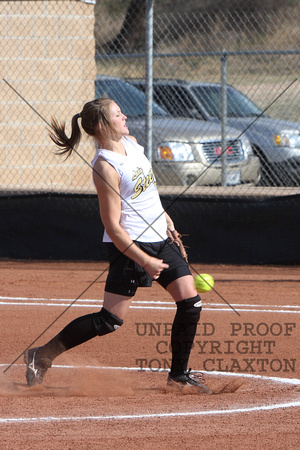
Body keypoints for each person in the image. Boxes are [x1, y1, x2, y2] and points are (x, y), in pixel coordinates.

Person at [24, 97, 210, 394]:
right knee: (110, 320)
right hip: (130, 245)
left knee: (190, 303)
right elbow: (113, 226)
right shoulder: (105, 166)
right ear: (101, 125)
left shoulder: (133, 144)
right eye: (117, 114)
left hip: (160, 238)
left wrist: (168, 222)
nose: (124, 117)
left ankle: (178, 376)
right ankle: (41, 355)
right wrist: (144, 260)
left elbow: (147, 193)